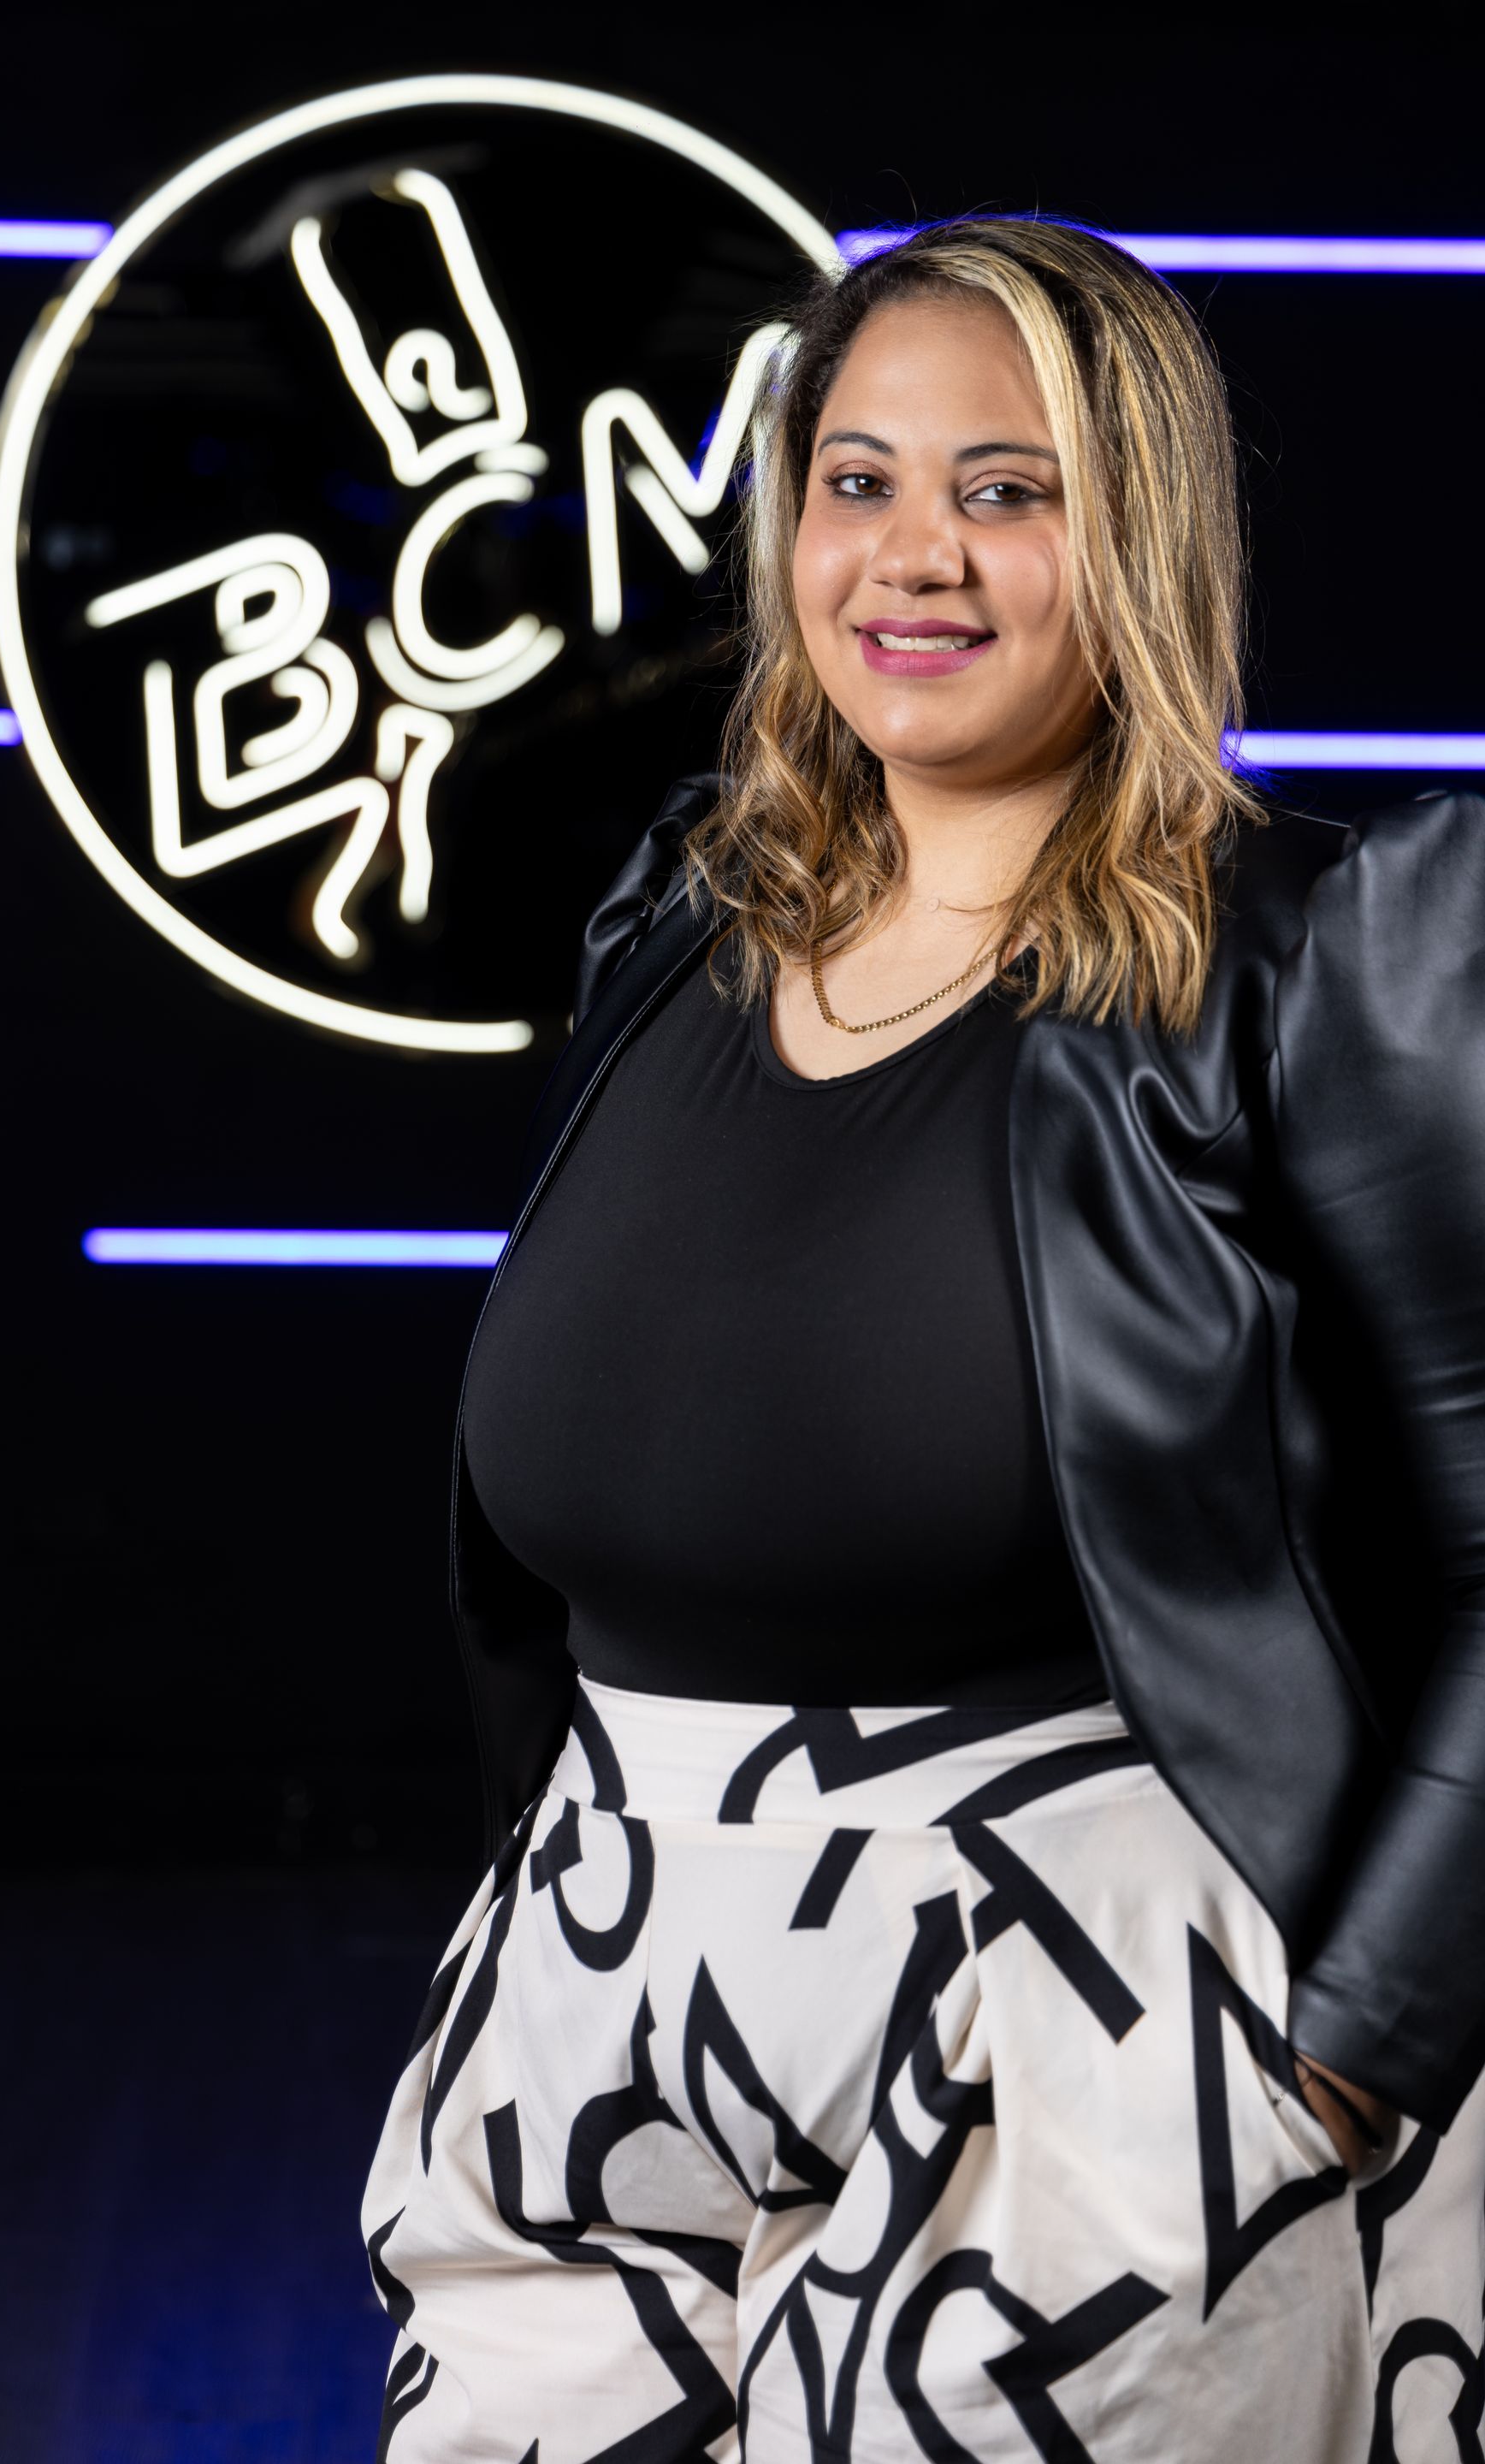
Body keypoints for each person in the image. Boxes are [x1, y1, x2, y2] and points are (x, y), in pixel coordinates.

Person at [361, 216, 1485, 2459]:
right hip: (614, 2008)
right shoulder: (684, 909)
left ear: (1138, 532)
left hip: (1096, 2040)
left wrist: (1347, 2049)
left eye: (1008, 488)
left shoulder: (1327, 956)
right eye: (858, 479)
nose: (916, 556)